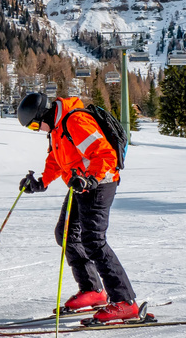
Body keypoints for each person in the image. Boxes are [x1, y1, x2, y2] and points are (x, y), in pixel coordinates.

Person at [16, 92, 138, 322]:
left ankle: (125, 302)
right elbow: (56, 160)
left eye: (34, 125)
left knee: (94, 241)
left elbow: (105, 154)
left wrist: (90, 178)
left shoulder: (75, 121)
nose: (37, 129)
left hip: (100, 184)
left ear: (43, 114)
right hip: (81, 185)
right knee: (66, 234)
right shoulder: (57, 129)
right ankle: (93, 290)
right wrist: (42, 182)